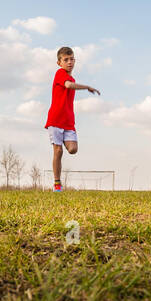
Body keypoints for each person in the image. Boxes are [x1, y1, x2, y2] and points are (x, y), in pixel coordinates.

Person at [45, 46, 99, 192]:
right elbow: (68, 86)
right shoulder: (60, 73)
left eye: (72, 59)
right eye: (66, 60)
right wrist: (87, 87)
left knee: (73, 149)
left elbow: (70, 84)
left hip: (68, 121)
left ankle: (61, 141)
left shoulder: (72, 77)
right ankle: (57, 184)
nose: (69, 62)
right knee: (58, 151)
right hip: (55, 120)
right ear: (59, 62)